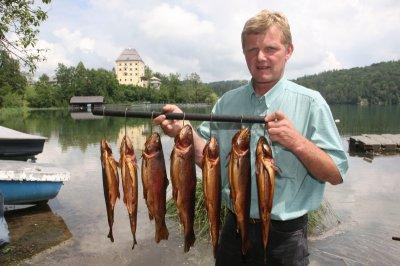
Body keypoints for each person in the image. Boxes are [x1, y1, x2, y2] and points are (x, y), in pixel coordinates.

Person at [154, 9, 348, 266]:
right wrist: (182, 132)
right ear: (244, 53)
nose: (261, 58)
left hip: (286, 236)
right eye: (252, 50)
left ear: (288, 51)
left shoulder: (311, 103)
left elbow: (336, 173)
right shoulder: (226, 103)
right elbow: (207, 160)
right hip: (233, 227)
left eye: (271, 49)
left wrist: (297, 142)